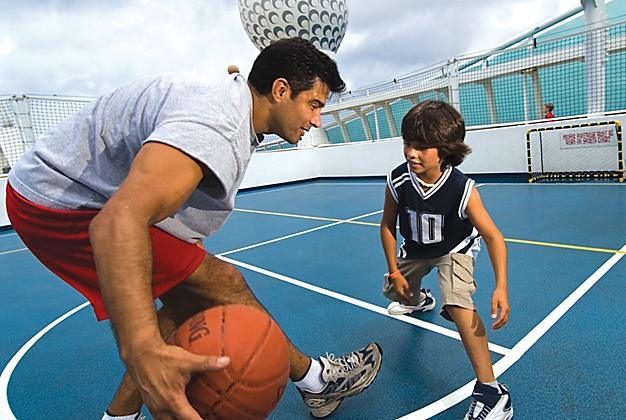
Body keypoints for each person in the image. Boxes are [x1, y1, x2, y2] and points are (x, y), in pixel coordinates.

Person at [6, 37, 382, 420]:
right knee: (221, 283)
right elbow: (117, 222)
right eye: (314, 105)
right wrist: (142, 349)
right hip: (56, 201)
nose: (317, 120)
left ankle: (120, 417)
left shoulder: (233, 107)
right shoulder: (216, 125)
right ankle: (315, 380)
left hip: (74, 192)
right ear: (281, 90)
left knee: (192, 295)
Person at [379, 100, 513, 420]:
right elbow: (386, 226)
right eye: (407, 143)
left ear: (444, 150)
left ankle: (492, 393)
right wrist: (394, 271)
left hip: (455, 249)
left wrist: (501, 286)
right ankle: (419, 299)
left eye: (421, 147)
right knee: (395, 291)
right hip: (416, 250)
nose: (411, 153)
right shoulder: (398, 180)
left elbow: (494, 237)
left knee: (456, 301)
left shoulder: (462, 189)